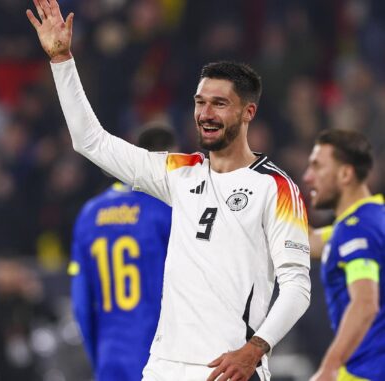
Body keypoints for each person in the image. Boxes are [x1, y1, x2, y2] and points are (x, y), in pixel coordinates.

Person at [26, 1, 311, 380]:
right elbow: (90, 141)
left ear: (248, 113)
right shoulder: (180, 172)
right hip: (163, 366)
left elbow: (297, 287)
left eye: (219, 104)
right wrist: (62, 61)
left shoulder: (276, 188)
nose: (206, 114)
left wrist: (256, 348)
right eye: (200, 102)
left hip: (229, 368)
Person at [69, 126, 177, 381]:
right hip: (160, 358)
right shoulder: (166, 209)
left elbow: (80, 303)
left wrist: (99, 359)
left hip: (110, 357)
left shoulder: (89, 214)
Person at [303, 129, 384, 381]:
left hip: (366, 372)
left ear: (346, 173)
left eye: (317, 167)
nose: (308, 177)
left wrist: (330, 365)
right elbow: (312, 242)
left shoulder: (357, 230)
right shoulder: (368, 220)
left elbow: (365, 302)